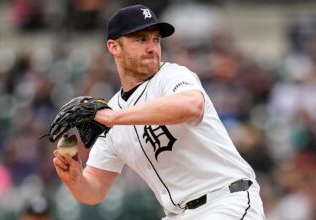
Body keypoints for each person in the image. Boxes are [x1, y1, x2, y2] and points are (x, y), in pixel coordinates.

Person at [52, 4, 266, 219]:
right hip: (178, 214)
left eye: (156, 39)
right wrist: (75, 178)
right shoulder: (112, 113)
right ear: (114, 47)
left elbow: (192, 106)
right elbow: (94, 191)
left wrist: (113, 117)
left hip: (225, 202)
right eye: (141, 39)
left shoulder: (172, 76)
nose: (152, 47)